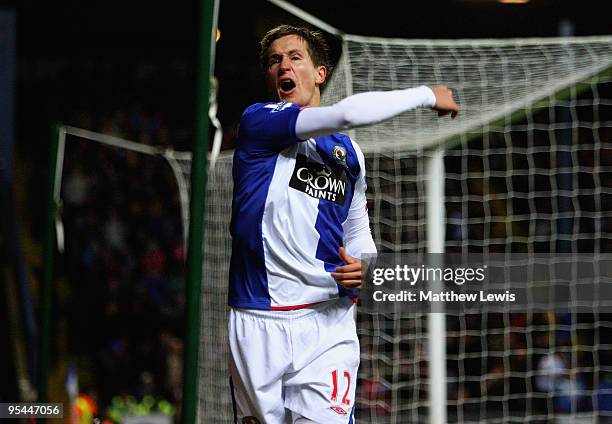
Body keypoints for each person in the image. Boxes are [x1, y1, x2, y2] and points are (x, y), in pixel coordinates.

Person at [228, 24, 459, 424]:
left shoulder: (349, 153)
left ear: (320, 73)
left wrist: (362, 264)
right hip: (259, 317)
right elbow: (347, 113)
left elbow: (358, 233)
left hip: (328, 320)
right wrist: (427, 95)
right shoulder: (260, 123)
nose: (284, 65)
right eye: (274, 60)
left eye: (295, 57)